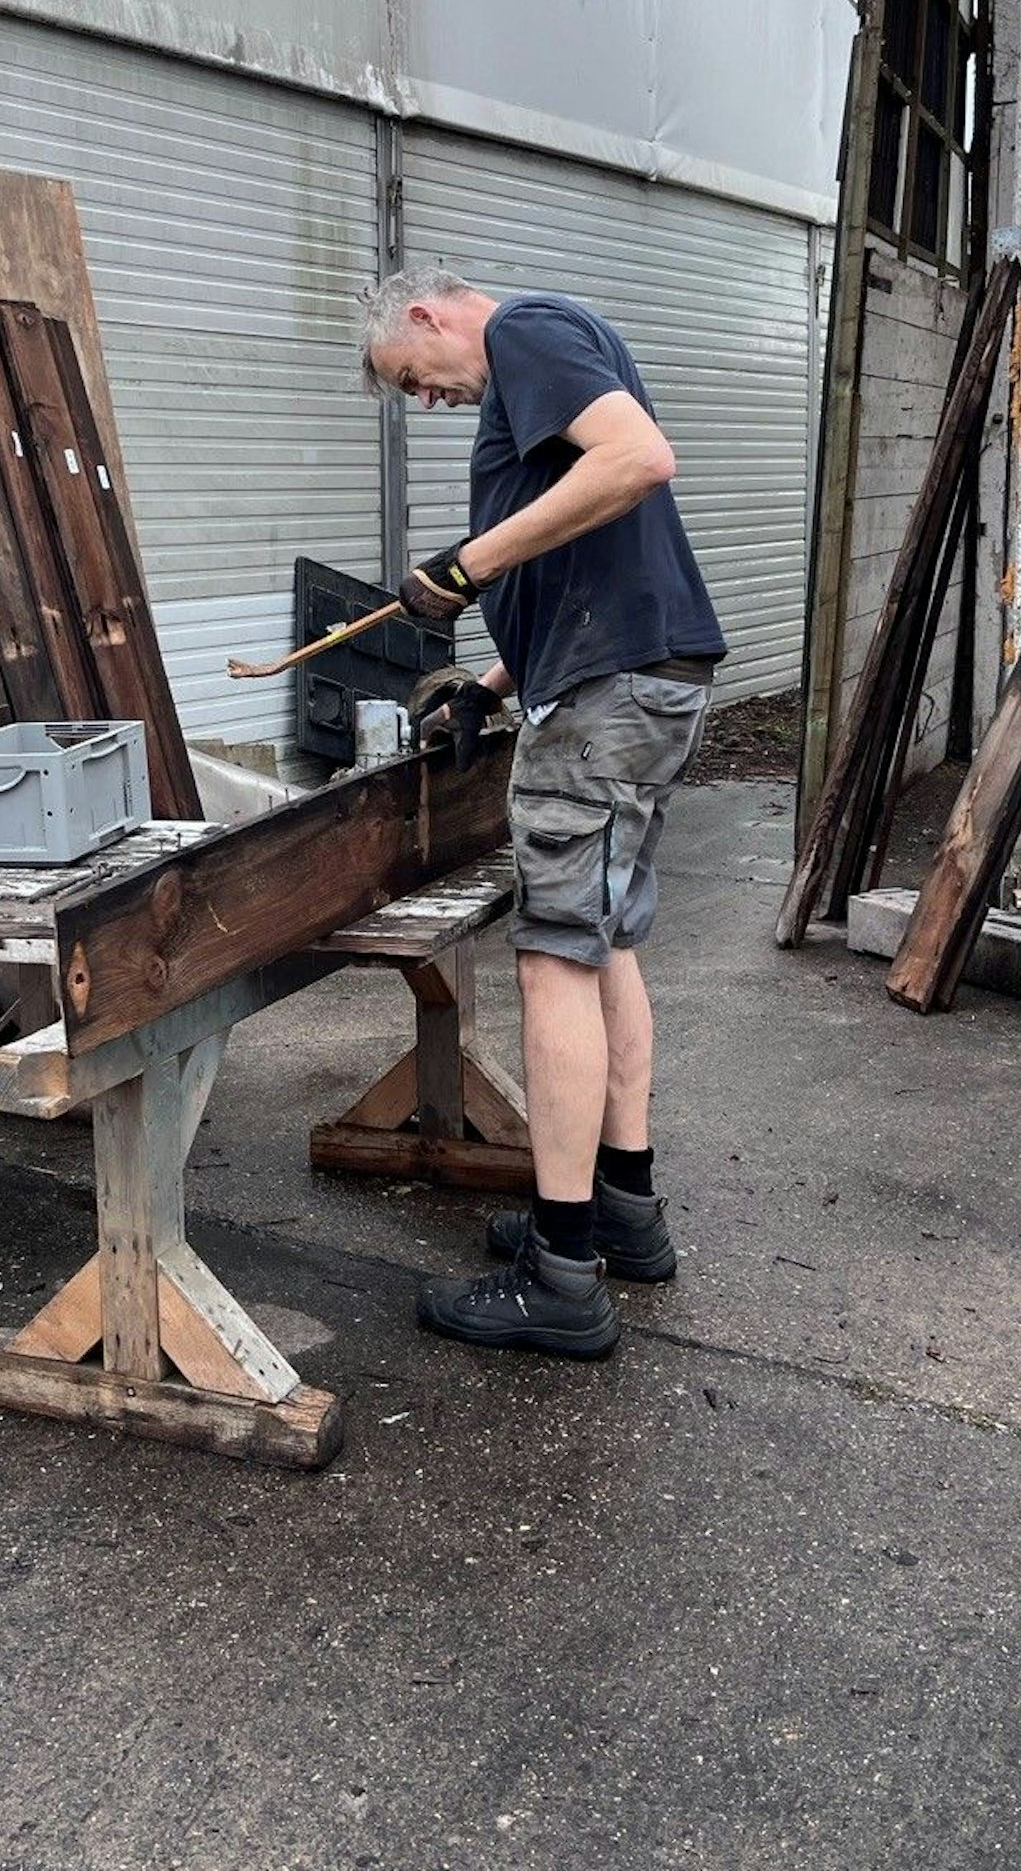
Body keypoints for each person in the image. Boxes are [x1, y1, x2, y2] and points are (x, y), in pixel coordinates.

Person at [360, 265, 726, 1359]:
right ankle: (621, 1211)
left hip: (615, 693)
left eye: (412, 379)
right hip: (628, 674)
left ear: (425, 316)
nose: (428, 402)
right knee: (604, 937)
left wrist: (462, 567)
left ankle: (563, 1275)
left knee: (553, 955)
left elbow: (636, 462)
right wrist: (487, 684)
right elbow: (589, 547)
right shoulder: (552, 346)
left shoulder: (524, 332)